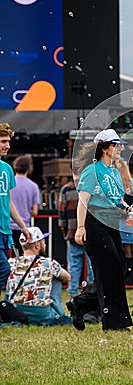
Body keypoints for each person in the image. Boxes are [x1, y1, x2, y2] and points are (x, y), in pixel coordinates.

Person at [73, 128, 133, 331]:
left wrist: (127, 208)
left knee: (118, 269)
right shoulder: (92, 170)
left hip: (112, 222)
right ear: (105, 148)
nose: (120, 148)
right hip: (94, 223)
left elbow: (117, 198)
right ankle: (115, 323)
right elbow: (83, 201)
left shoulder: (115, 172)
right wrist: (81, 227)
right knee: (109, 270)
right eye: (116, 144)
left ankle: (80, 304)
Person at [6, 226, 71, 326]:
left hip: (16, 312)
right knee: (58, 279)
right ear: (37, 244)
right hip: (42, 315)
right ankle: (59, 312)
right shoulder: (48, 263)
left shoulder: (11, 263)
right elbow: (67, 277)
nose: (44, 244)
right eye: (43, 241)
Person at [0, 123, 31, 296]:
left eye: (9, 142)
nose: (7, 145)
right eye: (3, 141)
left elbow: (9, 202)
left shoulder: (7, 169)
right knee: (4, 268)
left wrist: (23, 227)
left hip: (5, 230)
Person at [58, 167, 94, 299]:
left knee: (73, 265)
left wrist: (65, 232)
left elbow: (61, 215)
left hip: (72, 233)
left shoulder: (66, 189)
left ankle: (72, 291)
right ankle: (91, 290)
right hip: (89, 233)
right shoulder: (92, 186)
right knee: (91, 265)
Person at [114, 158, 133, 301]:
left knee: (120, 260)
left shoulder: (116, 185)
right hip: (132, 225)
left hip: (119, 224)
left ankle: (120, 290)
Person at [10, 155, 40, 255]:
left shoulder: (9, 183)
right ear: (29, 168)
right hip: (24, 228)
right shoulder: (33, 186)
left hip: (7, 226)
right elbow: (35, 211)